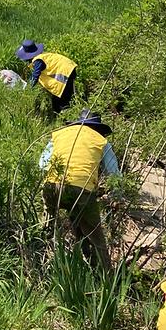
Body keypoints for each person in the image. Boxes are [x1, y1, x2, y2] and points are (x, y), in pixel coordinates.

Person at [40, 109, 121, 272]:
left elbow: (42, 163)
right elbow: (114, 174)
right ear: (97, 128)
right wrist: (115, 194)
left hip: (52, 185)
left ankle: (41, 259)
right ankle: (106, 276)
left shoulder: (59, 134)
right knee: (96, 238)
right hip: (82, 189)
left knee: (48, 226)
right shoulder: (101, 140)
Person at [16, 40, 77, 113]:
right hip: (69, 67)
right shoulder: (42, 56)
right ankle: (67, 112)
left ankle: (67, 114)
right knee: (61, 99)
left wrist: (28, 88)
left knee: (62, 101)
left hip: (66, 72)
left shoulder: (38, 61)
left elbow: (35, 75)